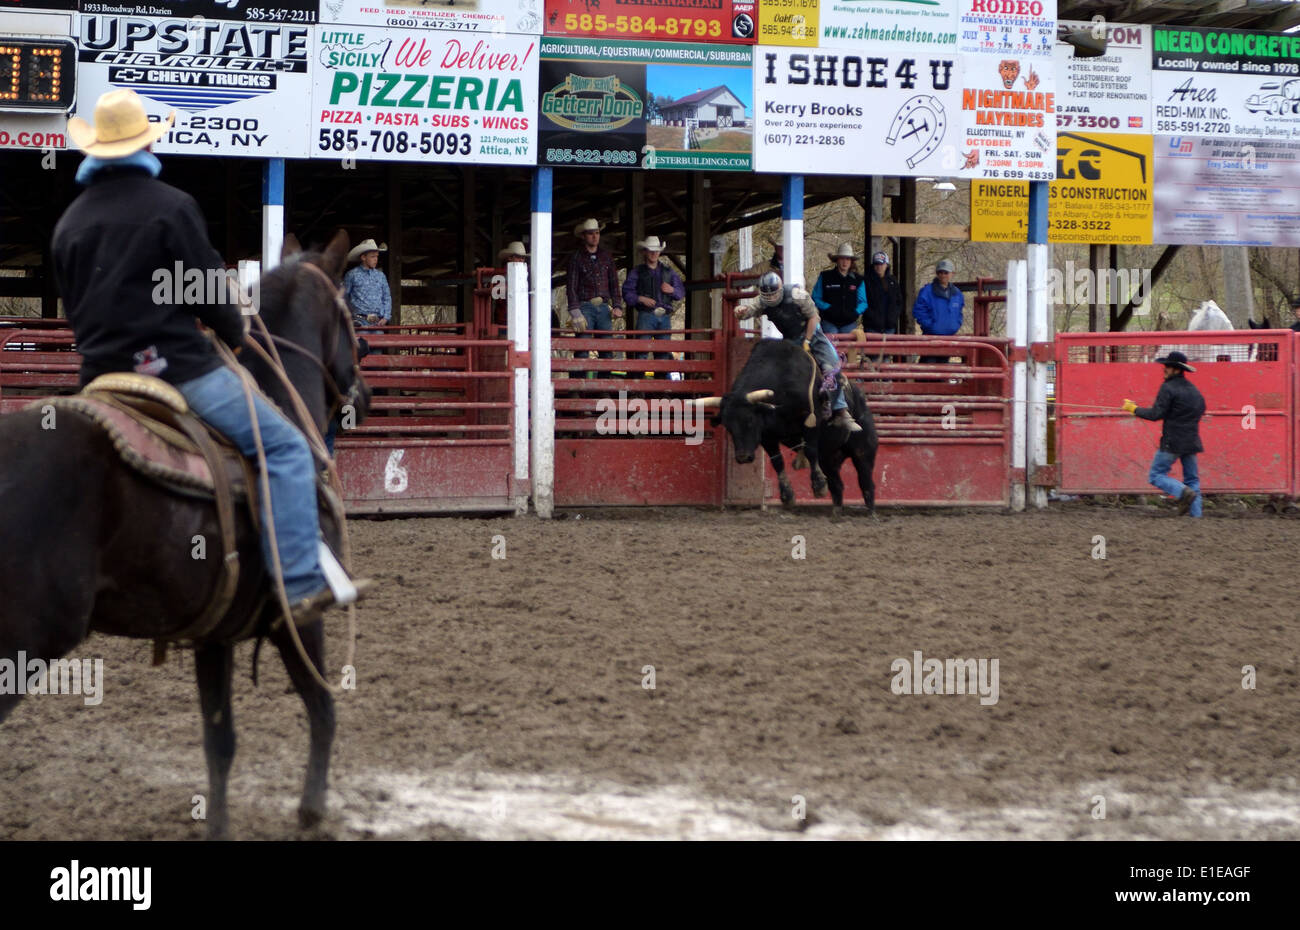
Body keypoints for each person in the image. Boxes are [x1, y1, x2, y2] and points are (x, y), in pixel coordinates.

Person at [50, 88, 366, 622]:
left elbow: (76, 309)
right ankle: (297, 583)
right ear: (144, 145)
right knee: (287, 450)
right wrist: (232, 331)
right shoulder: (171, 208)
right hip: (176, 369)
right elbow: (207, 293)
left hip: (100, 378)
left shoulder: (69, 224)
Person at [734, 271, 862, 433]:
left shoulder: (797, 295)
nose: (771, 298)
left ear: (780, 289)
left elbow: (814, 317)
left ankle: (841, 410)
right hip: (790, 341)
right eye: (767, 295)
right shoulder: (763, 301)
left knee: (832, 369)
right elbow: (748, 311)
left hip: (814, 337)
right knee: (775, 370)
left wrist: (807, 341)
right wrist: (741, 310)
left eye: (774, 294)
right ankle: (776, 405)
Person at [1122, 350, 1206, 518]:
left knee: (1156, 475)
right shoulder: (1194, 390)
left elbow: (1155, 414)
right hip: (1192, 441)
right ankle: (1196, 517)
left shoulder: (1167, 388)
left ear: (1176, 369)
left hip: (1172, 441)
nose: (1164, 369)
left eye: (1168, 366)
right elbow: (1201, 409)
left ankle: (1182, 493)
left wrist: (1134, 409)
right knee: (1192, 480)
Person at [621, 235, 683, 374]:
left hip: (665, 315)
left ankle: (660, 389)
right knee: (642, 352)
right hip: (646, 315)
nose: (654, 253)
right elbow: (627, 293)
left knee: (663, 354)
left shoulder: (669, 272)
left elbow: (680, 292)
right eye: (651, 250)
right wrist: (640, 299)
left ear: (660, 252)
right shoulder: (637, 272)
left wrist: (672, 290)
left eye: (656, 250)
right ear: (645, 252)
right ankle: (639, 387)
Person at [565, 217, 623, 361]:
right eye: (591, 233)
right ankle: (579, 382)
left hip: (603, 306)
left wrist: (617, 305)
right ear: (584, 236)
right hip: (585, 306)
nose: (594, 236)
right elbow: (571, 285)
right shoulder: (576, 257)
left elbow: (614, 283)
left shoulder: (606, 257)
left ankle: (605, 381)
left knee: (606, 350)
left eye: (597, 233)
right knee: (582, 349)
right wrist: (575, 311)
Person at [913, 258, 964, 365]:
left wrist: (956, 324)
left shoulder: (957, 294)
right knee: (928, 367)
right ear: (937, 274)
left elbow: (959, 312)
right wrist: (930, 326)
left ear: (952, 274)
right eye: (940, 272)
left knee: (943, 367)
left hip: (948, 338)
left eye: (946, 272)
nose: (943, 275)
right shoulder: (927, 291)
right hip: (931, 338)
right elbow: (919, 310)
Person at [811, 243, 867, 335]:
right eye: (842, 258)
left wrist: (855, 312)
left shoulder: (858, 280)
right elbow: (816, 297)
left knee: (848, 348)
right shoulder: (825, 276)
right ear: (837, 260)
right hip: (829, 321)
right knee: (831, 346)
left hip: (849, 323)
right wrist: (828, 307)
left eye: (848, 259)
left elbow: (863, 302)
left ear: (851, 261)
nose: (845, 262)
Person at [343, 238, 391, 331]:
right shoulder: (352, 275)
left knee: (379, 344)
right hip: (358, 321)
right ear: (363, 257)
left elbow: (387, 297)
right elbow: (344, 297)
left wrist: (386, 317)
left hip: (378, 323)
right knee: (362, 344)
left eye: (377, 256)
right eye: (372, 256)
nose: (376, 259)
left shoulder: (381, 276)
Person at [862, 251, 903, 335]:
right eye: (876, 264)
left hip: (889, 326)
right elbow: (862, 301)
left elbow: (899, 302)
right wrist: (871, 317)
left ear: (886, 265)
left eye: (881, 264)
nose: (879, 267)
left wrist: (893, 317)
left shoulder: (893, 281)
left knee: (889, 348)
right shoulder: (867, 281)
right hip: (872, 327)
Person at [493, 240, 528, 330]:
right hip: (505, 320)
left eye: (523, 257)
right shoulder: (500, 275)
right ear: (509, 258)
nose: (521, 260)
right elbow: (499, 298)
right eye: (518, 257)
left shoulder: (524, 274)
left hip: (515, 319)